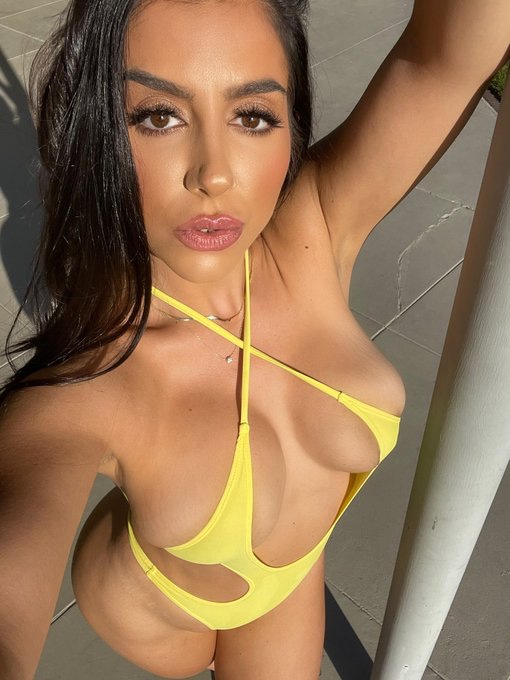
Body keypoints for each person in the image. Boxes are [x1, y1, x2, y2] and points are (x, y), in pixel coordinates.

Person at [0, 1, 508, 679]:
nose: (214, 175)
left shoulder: (315, 227)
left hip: (287, 577)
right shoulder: (81, 394)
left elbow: (449, 54)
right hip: (159, 605)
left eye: (252, 116)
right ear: (97, 130)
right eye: (159, 116)